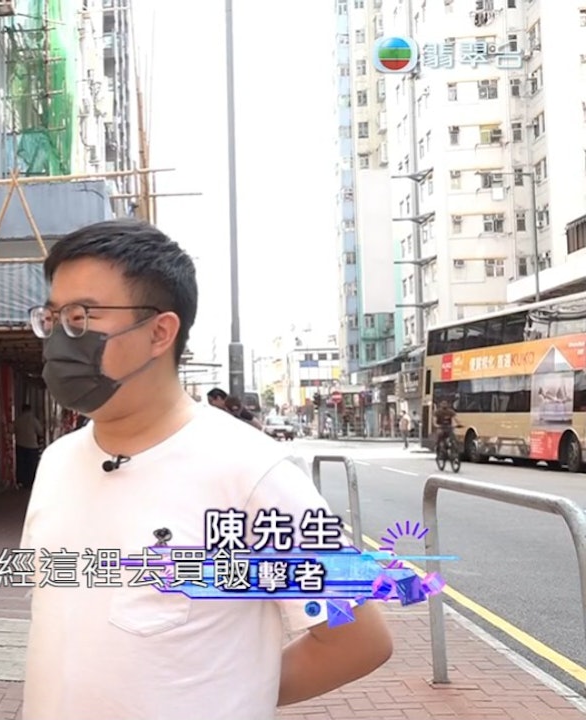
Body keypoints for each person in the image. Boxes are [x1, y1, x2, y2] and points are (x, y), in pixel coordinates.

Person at [20, 218, 392, 720]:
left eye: (82, 316)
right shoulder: (56, 462)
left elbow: (357, 641)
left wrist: (230, 694)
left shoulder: (254, 474)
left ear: (160, 332)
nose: (61, 338)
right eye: (53, 318)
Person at [14, 403, 44, 489]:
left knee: (22, 464)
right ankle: (31, 482)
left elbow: (12, 429)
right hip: (32, 446)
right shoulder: (34, 420)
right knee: (31, 465)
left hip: (20, 445)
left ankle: (22, 481)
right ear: (30, 410)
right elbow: (40, 431)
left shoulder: (18, 420)